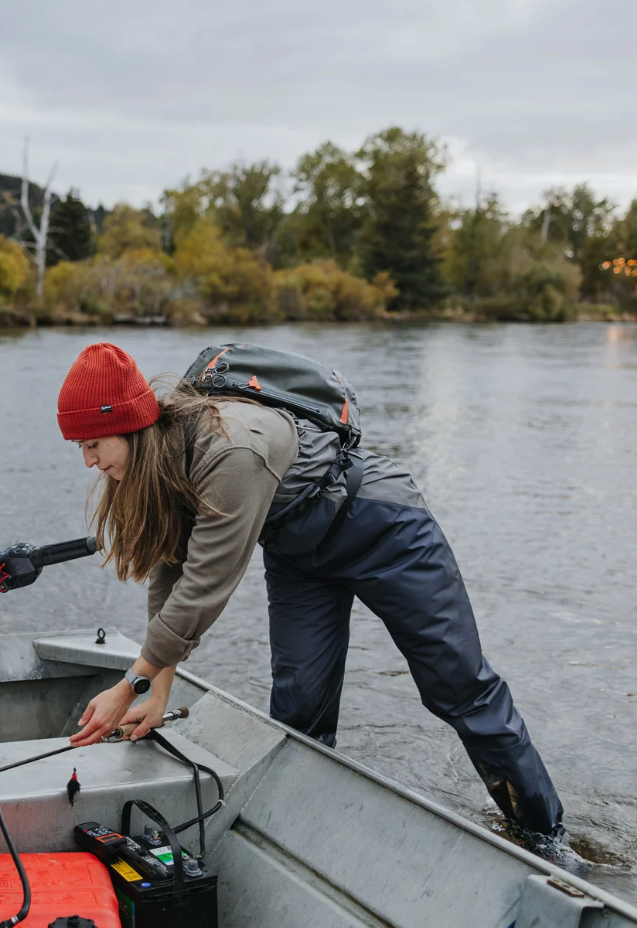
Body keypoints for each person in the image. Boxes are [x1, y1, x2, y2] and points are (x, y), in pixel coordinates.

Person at [59, 342, 580, 869]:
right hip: (298, 553)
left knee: (459, 689)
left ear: (131, 425)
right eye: (79, 447)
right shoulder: (160, 459)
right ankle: (305, 847)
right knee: (298, 709)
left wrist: (130, 684)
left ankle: (546, 841)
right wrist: (159, 684)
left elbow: (205, 586)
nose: (88, 460)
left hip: (383, 526)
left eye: (94, 443)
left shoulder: (232, 450)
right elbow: (173, 565)